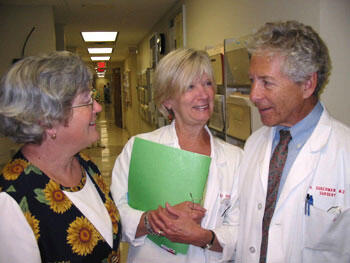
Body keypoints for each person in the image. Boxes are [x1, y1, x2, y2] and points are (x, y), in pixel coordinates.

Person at [110, 48, 243, 262]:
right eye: (190, 86)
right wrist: (152, 221)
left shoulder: (235, 157)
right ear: (167, 101)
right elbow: (115, 214)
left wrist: (203, 237)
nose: (203, 94)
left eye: (207, 83)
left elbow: (240, 229)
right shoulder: (139, 147)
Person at [235, 20, 350, 262]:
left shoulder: (344, 152)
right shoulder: (254, 143)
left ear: (307, 84)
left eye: (266, 82)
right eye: (252, 80)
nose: (254, 95)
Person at [0, 51, 122, 262]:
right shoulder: (11, 201)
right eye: (87, 100)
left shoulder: (85, 164)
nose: (98, 107)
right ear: (46, 120)